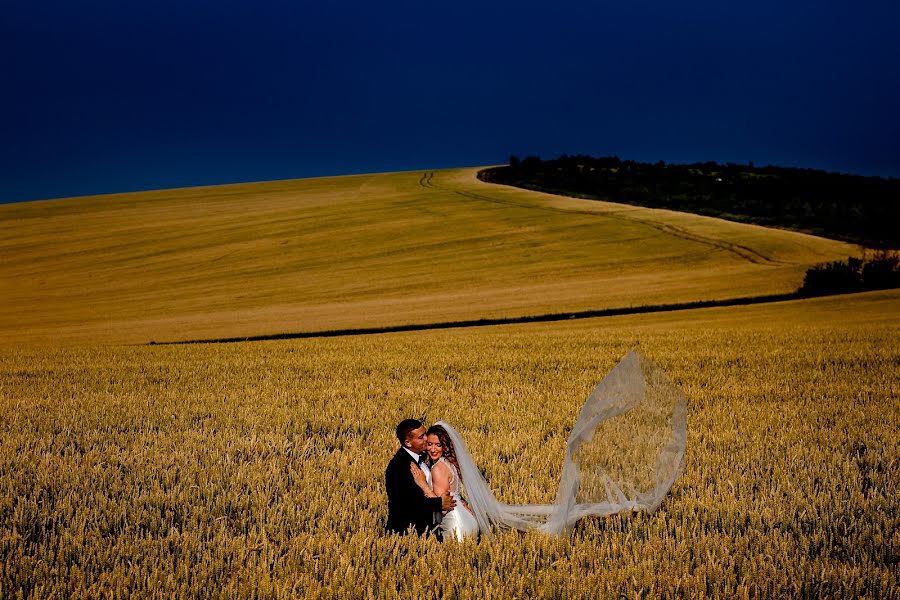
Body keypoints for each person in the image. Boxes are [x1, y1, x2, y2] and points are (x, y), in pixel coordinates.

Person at [385, 419, 455, 537]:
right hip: (407, 534)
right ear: (408, 442)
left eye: (425, 434)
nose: (426, 439)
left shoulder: (422, 456)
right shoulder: (399, 467)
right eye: (421, 437)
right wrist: (438, 504)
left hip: (427, 530)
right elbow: (405, 504)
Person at [410, 424, 480, 541]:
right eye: (430, 444)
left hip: (456, 525)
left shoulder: (438, 469)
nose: (433, 449)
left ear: (445, 446)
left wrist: (423, 485)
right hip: (468, 520)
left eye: (438, 445)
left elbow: (440, 506)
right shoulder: (450, 463)